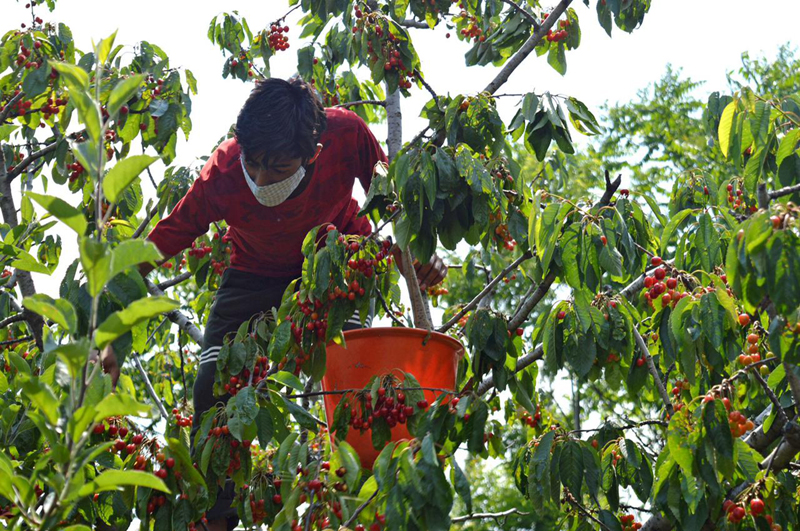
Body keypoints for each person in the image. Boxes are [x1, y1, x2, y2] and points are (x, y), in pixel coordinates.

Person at [99, 77, 447, 531]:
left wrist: (416, 259)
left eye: (277, 168)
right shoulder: (222, 174)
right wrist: (105, 338)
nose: (260, 179)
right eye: (253, 162)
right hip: (252, 278)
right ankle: (217, 518)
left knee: (354, 381)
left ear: (314, 154)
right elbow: (153, 250)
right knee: (211, 387)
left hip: (333, 265)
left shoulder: (346, 134)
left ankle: (360, 497)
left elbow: (390, 203)